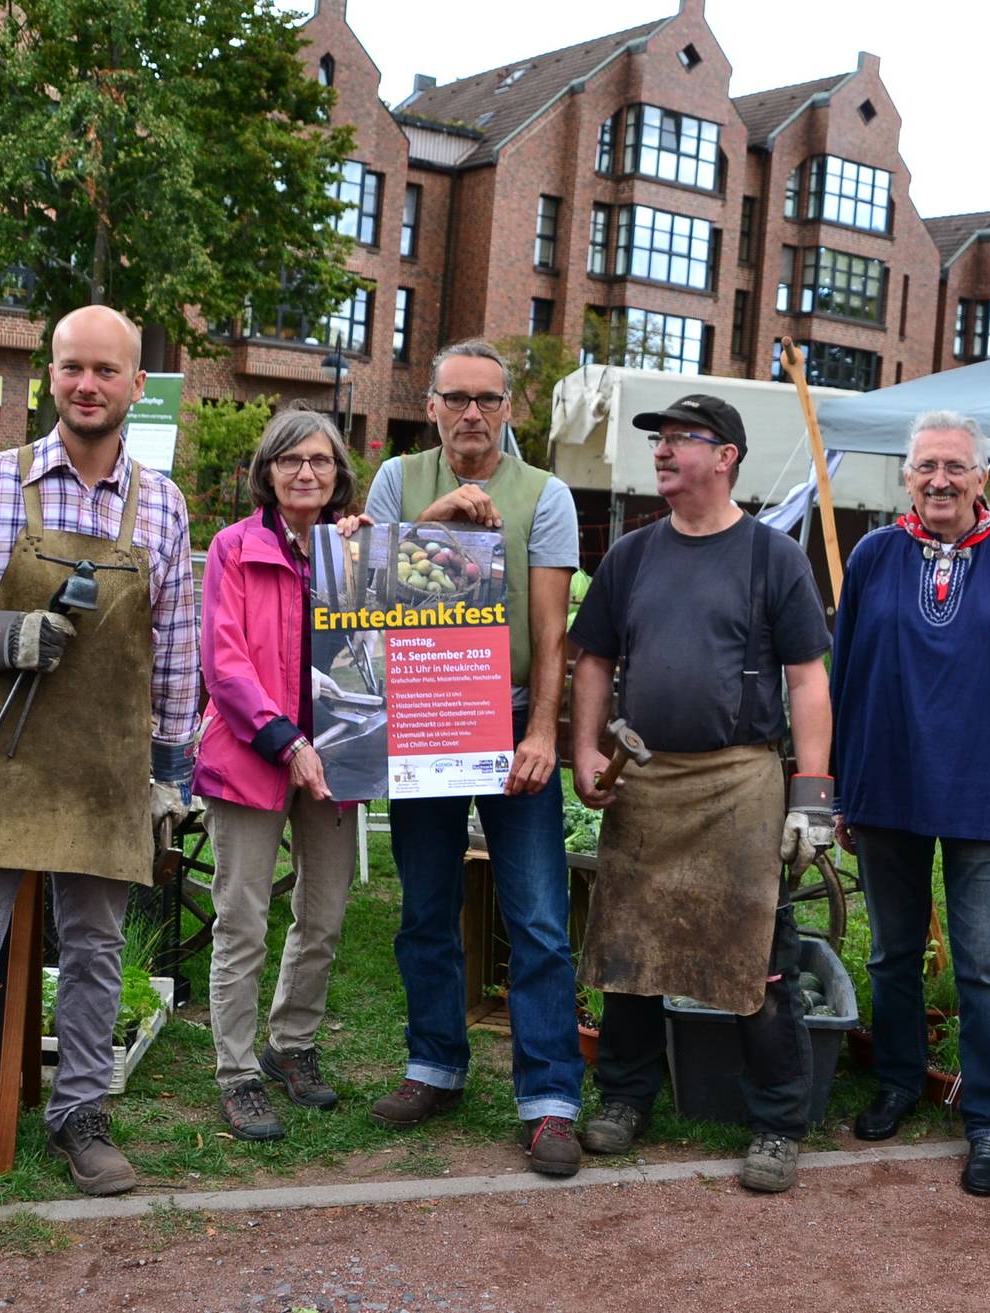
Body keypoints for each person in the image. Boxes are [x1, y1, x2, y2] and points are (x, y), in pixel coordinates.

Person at [0, 306, 197, 1263]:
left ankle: (82, 1115)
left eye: (106, 370)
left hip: (103, 768)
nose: (86, 384)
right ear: (49, 377)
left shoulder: (163, 505)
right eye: (71, 368)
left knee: (98, 947)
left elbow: (174, 646)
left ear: (137, 384)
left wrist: (170, 769)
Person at [569, 393, 833, 1194]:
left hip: (740, 780)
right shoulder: (633, 555)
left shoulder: (772, 557)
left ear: (727, 458)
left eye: (682, 438)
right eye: (659, 439)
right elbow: (594, 659)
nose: (662, 450)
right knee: (629, 948)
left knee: (758, 957)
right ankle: (624, 1097)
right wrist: (585, 744)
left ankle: (779, 1122)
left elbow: (808, 680)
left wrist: (812, 793)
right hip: (646, 779)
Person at [830, 410, 990, 1198]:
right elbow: (842, 681)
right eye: (926, 465)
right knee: (890, 953)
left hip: (986, 794)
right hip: (887, 788)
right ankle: (899, 1080)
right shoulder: (872, 557)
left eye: (955, 466)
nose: (940, 479)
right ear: (907, 475)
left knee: (986, 966)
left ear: (982, 478)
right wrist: (836, 786)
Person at [361, 341, 585, 1177]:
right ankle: (435, 1064)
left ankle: (550, 1098)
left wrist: (543, 734)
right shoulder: (398, 480)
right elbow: (371, 590)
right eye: (455, 397)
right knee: (426, 904)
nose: (471, 414)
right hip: (428, 715)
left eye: (487, 399)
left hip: (515, 720)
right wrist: (440, 522)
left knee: (536, 917)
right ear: (431, 404)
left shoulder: (544, 495)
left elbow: (553, 631)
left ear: (509, 407)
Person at [194, 407, 363, 1141]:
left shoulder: (350, 552)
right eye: (291, 460)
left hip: (341, 757)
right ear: (267, 470)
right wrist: (287, 741)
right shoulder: (233, 548)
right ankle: (236, 1074)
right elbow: (223, 664)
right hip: (251, 754)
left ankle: (290, 1043)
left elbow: (384, 644)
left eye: (320, 461)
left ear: (338, 473)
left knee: (322, 915)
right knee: (241, 922)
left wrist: (367, 561)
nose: (306, 473)